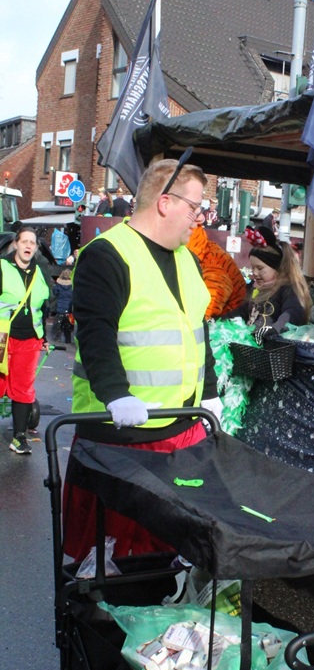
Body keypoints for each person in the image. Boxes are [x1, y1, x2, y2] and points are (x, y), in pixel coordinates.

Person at [62, 153, 222, 560]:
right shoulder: (107, 254)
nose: (200, 218)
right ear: (165, 202)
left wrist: (208, 391)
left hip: (181, 429)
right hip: (122, 436)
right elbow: (96, 332)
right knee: (115, 563)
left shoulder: (188, 259)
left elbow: (196, 330)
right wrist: (115, 394)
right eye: (195, 207)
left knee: (168, 559)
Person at [0, 227, 54, 454]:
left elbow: (44, 307)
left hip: (30, 339)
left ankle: (19, 437)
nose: (28, 246)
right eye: (25, 242)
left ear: (36, 247)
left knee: (23, 388)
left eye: (33, 243)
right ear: (16, 244)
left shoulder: (40, 272)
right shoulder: (2, 267)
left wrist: (44, 338)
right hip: (2, 337)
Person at [222, 224, 311, 340]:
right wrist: (219, 321)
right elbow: (241, 312)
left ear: (277, 267)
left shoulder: (287, 289)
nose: (255, 272)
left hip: (273, 345)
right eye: (253, 267)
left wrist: (276, 328)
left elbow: (293, 312)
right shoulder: (253, 288)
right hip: (252, 342)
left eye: (260, 268)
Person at [187, 224, 246, 319]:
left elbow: (213, 299)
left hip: (226, 320)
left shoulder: (212, 260)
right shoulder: (204, 251)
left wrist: (195, 319)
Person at [52, 268, 73, 344]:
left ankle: (57, 338)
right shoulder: (72, 285)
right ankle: (68, 339)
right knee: (68, 325)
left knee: (58, 324)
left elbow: (55, 292)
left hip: (60, 307)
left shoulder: (59, 284)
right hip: (69, 308)